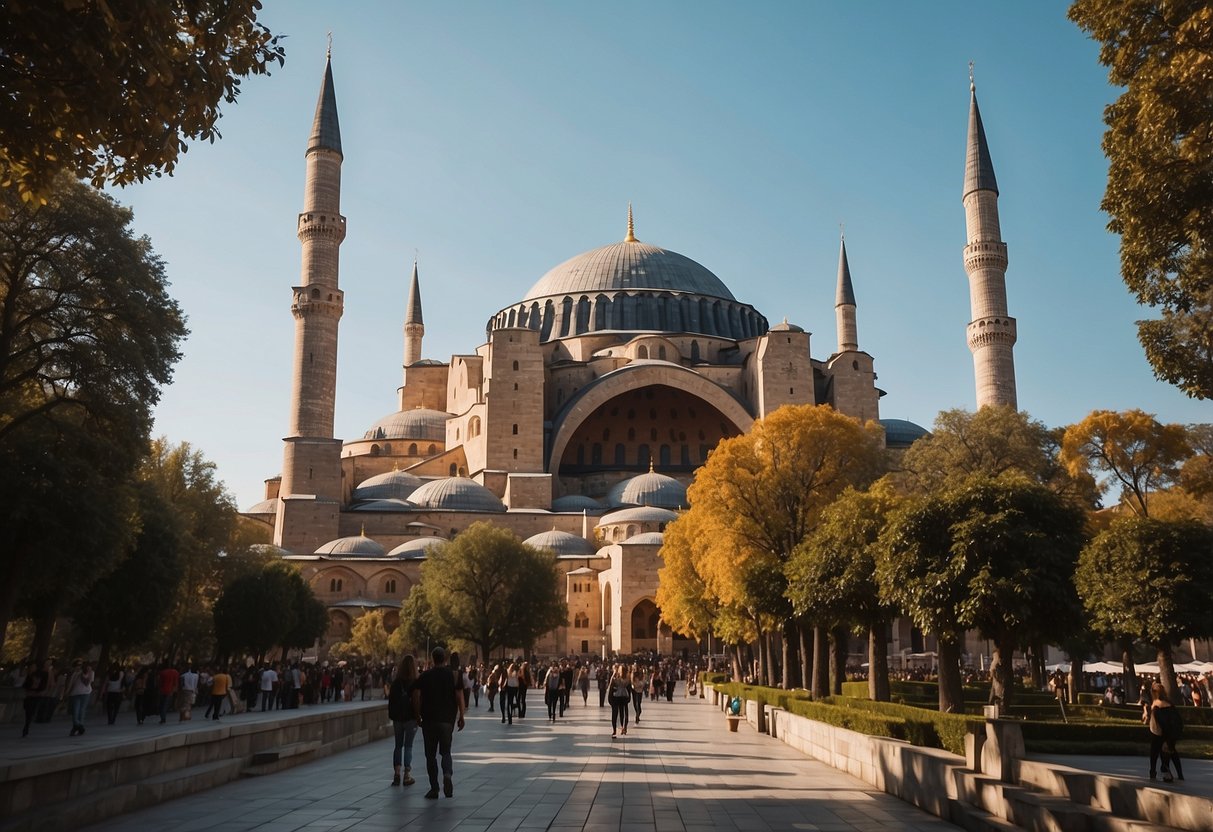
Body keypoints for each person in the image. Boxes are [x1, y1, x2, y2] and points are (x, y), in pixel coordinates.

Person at [412, 647, 465, 799]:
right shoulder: (453, 675)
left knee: (430, 755)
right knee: (446, 752)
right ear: (445, 658)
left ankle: (434, 788)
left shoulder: (425, 675)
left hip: (429, 719)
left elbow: (415, 693)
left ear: (433, 659)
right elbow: (459, 695)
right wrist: (461, 715)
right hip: (447, 720)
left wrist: (417, 715)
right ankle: (447, 774)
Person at [1143, 682, 1184, 782]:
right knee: (1172, 752)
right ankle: (1179, 774)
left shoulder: (1156, 705)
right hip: (1170, 732)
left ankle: (1153, 772)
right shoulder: (1169, 703)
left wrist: (1146, 712)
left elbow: (1154, 721)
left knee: (1154, 753)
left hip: (1158, 733)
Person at [388, 654, 419, 786]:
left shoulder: (395, 683)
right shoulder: (415, 682)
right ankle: (407, 774)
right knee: (408, 746)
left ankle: (396, 773)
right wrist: (418, 716)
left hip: (397, 718)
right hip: (410, 718)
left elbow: (391, 701)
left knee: (398, 745)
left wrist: (393, 715)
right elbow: (417, 700)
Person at [21, 660, 50, 737]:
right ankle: (27, 725)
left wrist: (43, 691)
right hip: (29, 695)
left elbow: (45, 684)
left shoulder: (43, 674)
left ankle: (27, 725)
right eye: (31, 667)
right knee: (27, 710)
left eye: (33, 667)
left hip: (37, 695)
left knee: (32, 711)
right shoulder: (28, 675)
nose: (32, 668)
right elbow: (25, 685)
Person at [67, 660, 95, 736]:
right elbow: (71, 683)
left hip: (86, 693)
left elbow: (87, 683)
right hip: (75, 693)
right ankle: (79, 726)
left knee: (82, 710)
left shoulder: (91, 673)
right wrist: (67, 692)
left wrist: (86, 673)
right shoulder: (76, 674)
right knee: (75, 711)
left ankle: (77, 727)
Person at [609, 663, 632, 738]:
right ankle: (617, 729)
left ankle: (621, 728)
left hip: (620, 696)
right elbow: (611, 685)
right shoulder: (619, 677)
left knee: (620, 713)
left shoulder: (623, 678)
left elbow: (629, 688)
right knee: (617, 713)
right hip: (619, 697)